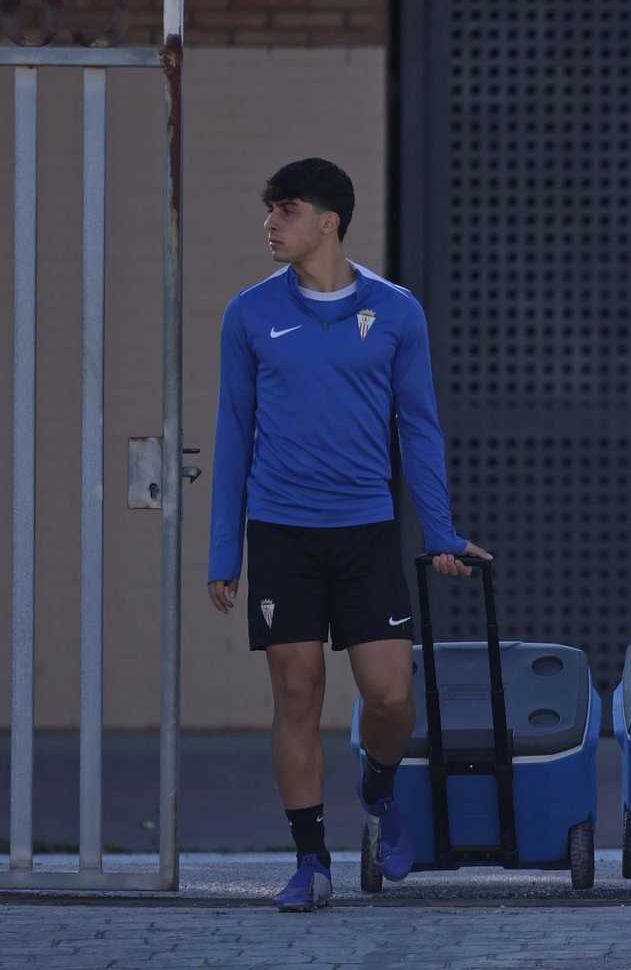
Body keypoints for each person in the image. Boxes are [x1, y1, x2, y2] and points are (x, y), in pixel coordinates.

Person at [208, 158, 490, 911]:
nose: (271, 223)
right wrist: (221, 552)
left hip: (365, 531)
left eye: (286, 210)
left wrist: (442, 533)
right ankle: (310, 859)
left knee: (391, 697)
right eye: (270, 210)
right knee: (296, 693)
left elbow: (420, 429)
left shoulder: (397, 311)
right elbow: (233, 435)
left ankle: (380, 783)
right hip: (281, 533)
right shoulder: (248, 313)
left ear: (328, 222)